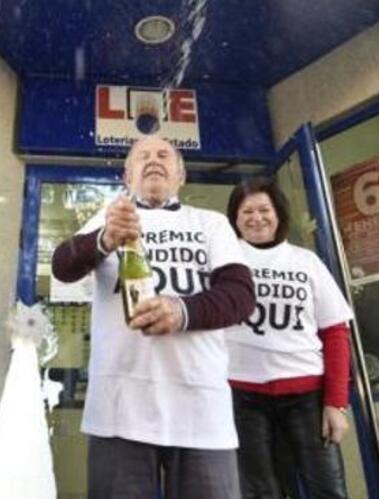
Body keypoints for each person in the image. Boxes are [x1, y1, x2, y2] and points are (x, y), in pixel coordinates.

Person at [51, 135, 255, 499]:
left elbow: (240, 297)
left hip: (201, 408)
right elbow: (62, 267)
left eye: (164, 155)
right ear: (127, 175)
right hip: (118, 410)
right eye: (142, 156)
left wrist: (182, 311)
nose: (154, 160)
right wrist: (104, 239)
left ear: (181, 175)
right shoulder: (107, 218)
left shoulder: (211, 224)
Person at [224, 178, 353, 499]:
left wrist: (336, 402)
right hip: (243, 400)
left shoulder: (306, 261)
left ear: (278, 214)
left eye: (264, 209)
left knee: (327, 488)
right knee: (259, 492)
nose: (256, 218)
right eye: (246, 211)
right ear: (235, 219)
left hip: (307, 397)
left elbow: (335, 332)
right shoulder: (223, 262)